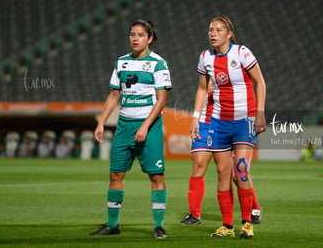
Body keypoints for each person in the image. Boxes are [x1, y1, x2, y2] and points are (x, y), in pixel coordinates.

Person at [90, 20, 172, 239]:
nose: (135, 38)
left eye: (140, 35)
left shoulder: (158, 64)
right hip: (124, 126)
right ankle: (113, 224)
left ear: (150, 38)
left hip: (150, 126)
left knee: (156, 176)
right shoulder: (122, 62)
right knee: (116, 173)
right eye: (132, 34)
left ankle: (158, 226)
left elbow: (162, 99)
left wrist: (145, 125)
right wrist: (101, 122)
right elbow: (114, 94)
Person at [190, 15, 266, 239]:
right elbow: (203, 89)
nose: (212, 33)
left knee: (240, 170)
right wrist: (195, 116)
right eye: (210, 30)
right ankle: (227, 226)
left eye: (217, 30)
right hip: (218, 122)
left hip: (244, 121)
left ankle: (247, 224)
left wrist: (260, 113)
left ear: (229, 33)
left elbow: (260, 82)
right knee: (223, 173)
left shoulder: (242, 53)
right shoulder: (205, 58)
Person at [181, 81, 262, 226]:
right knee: (198, 164)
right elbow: (201, 89)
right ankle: (194, 214)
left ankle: (254, 208)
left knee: (236, 173)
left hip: (227, 122)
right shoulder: (207, 65)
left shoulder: (234, 70)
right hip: (205, 123)